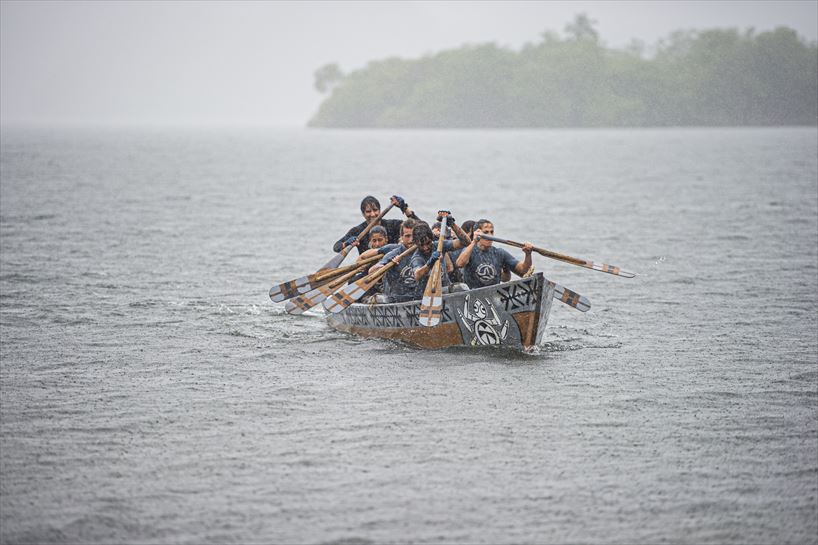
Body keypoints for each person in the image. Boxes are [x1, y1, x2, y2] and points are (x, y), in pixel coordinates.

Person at [455, 219, 533, 288]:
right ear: (477, 234)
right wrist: (474, 241)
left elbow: (524, 271)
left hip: (493, 297)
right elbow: (459, 264)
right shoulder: (469, 250)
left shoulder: (500, 253)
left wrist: (528, 254)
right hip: (472, 296)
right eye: (486, 232)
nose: (490, 235)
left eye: (491, 232)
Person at [333, 195, 419, 255]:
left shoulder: (393, 225)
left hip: (393, 265)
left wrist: (404, 208)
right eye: (368, 211)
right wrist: (347, 243)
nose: (373, 214)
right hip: (368, 269)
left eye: (375, 210)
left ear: (380, 210)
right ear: (363, 214)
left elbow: (420, 227)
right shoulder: (358, 231)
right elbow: (336, 247)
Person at [411, 214, 470, 299]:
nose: (425, 248)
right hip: (427, 296)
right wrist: (429, 263)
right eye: (421, 245)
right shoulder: (417, 257)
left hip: (445, 291)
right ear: (416, 243)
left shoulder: (439, 245)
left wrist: (452, 224)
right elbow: (417, 275)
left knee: (461, 287)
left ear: (432, 239)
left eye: (428, 243)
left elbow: (466, 242)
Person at [366, 218, 420, 303]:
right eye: (407, 236)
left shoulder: (424, 251)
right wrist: (382, 267)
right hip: (395, 299)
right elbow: (371, 272)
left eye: (414, 235)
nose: (411, 239)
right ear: (401, 237)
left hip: (417, 297)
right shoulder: (393, 254)